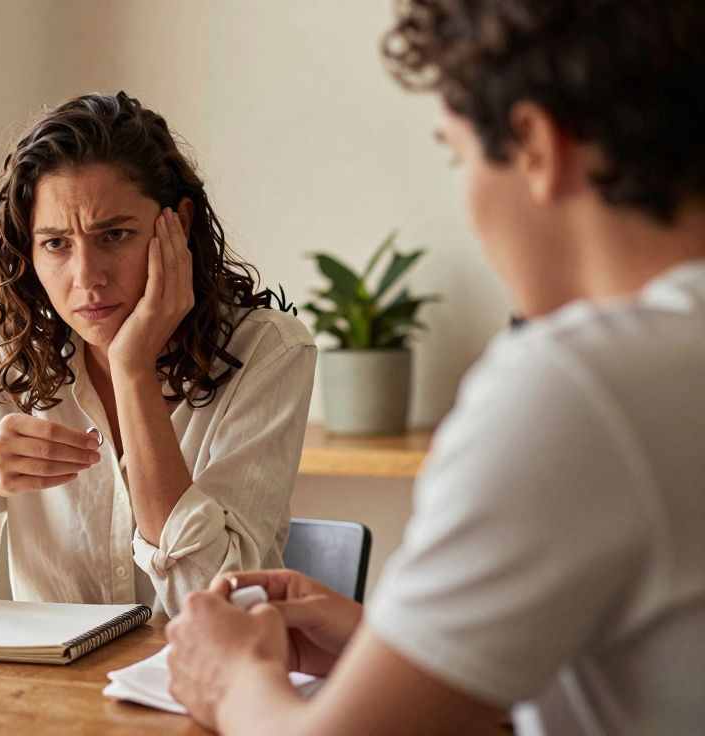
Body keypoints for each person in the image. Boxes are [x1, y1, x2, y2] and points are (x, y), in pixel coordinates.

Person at [165, 1, 705, 734]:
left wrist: (230, 679)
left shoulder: (584, 387)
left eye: (456, 155)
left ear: (536, 144)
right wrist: (394, 646)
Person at [0, 92, 316, 615]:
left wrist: (132, 371)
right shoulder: (4, 351)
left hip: (203, 684)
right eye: (57, 244)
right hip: (51, 693)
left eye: (114, 234)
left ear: (177, 223)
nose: (87, 277)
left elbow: (215, 600)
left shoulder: (268, 352)